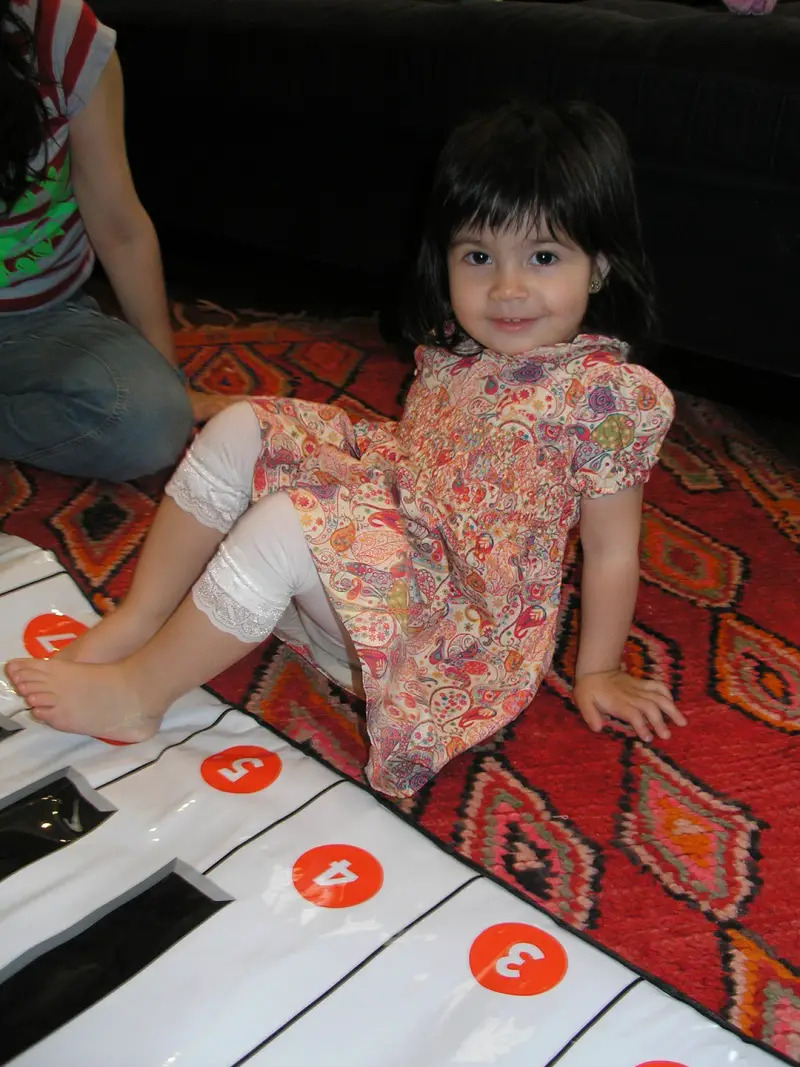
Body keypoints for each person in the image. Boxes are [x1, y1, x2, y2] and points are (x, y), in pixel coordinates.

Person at [5, 99, 687, 798]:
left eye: (543, 256)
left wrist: (596, 669)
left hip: (446, 632)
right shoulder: (458, 349)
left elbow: (611, 551)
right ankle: (139, 618)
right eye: (479, 255)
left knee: (287, 522)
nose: (507, 288)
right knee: (242, 423)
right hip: (397, 528)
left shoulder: (608, 398)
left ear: (600, 267)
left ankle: (137, 694)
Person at [0, 0, 223, 481]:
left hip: (43, 321)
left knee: (152, 421)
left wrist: (172, 380)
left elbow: (119, 225)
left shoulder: (60, 32)